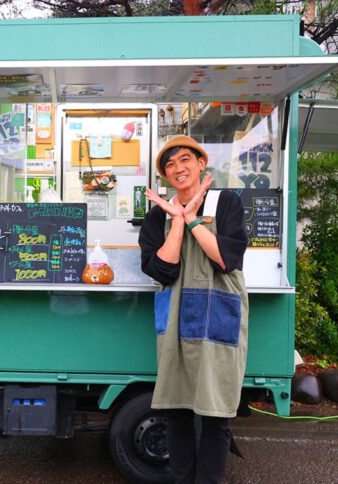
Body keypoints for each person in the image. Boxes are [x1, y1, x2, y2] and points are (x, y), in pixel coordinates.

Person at [138, 135, 248, 484]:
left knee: (217, 415)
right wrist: (176, 221)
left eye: (185, 159)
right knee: (176, 412)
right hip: (176, 322)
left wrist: (194, 220)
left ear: (201, 163)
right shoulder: (157, 218)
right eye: (170, 165)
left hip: (218, 318)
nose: (178, 168)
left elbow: (226, 259)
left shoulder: (226, 203)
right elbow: (162, 269)